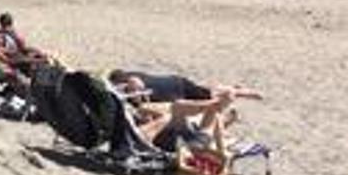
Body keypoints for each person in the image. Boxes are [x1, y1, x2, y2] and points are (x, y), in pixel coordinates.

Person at [109, 70, 263, 104]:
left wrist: (140, 99)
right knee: (204, 90)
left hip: (178, 87)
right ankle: (230, 86)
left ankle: (240, 92)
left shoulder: (131, 79)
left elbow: (135, 83)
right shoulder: (130, 76)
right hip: (175, 82)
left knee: (210, 96)